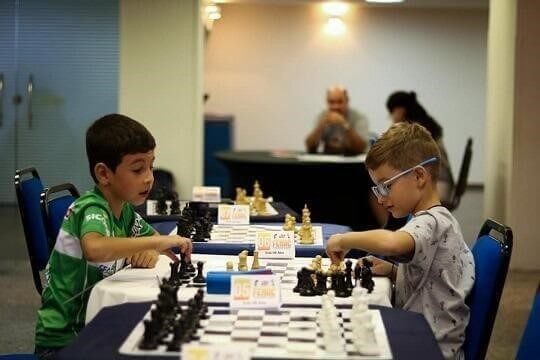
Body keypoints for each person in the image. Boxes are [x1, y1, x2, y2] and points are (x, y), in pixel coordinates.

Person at [34, 114, 193, 360]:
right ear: (104, 174)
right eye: (138, 169)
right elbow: (95, 248)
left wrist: (149, 249)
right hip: (63, 342)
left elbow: (149, 239)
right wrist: (158, 243)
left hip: (96, 325)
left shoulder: (124, 209)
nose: (150, 177)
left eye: (151, 166)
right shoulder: (91, 208)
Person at [326, 122, 475, 359]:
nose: (382, 198)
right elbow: (433, 279)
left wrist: (346, 239)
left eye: (386, 186)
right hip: (423, 335)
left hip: (430, 347)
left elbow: (392, 243)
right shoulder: (431, 220)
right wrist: (394, 271)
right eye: (377, 189)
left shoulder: (432, 222)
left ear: (418, 176)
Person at [386, 91, 455, 204]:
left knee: (392, 196)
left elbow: (395, 155)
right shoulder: (425, 124)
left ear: (400, 110)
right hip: (442, 182)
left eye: (391, 112)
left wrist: (393, 128)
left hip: (438, 185)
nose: (391, 117)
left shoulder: (416, 130)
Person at [305, 86, 369, 155]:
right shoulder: (322, 116)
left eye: (340, 102)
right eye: (331, 102)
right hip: (328, 160)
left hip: (352, 162)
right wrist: (321, 126)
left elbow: (361, 148)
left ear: (347, 102)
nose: (335, 106)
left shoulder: (359, 118)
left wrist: (345, 124)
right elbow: (309, 147)